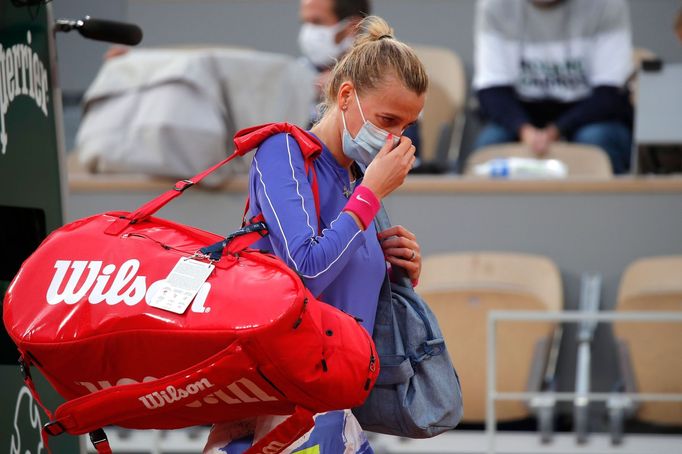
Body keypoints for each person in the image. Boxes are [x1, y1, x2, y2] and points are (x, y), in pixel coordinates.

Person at [203, 15, 428, 454]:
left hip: (338, 410)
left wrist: (398, 267)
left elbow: (349, 296)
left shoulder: (360, 177)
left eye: (407, 127)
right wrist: (369, 195)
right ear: (346, 96)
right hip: (280, 409)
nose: (396, 139)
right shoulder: (282, 151)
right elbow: (304, 270)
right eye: (388, 119)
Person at [472, 0, 634, 174]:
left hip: (590, 114)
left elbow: (610, 94)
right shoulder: (495, 5)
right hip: (522, 114)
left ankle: (611, 199)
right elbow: (491, 90)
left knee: (596, 139)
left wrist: (556, 130)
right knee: (490, 144)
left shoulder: (606, 5)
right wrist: (525, 131)